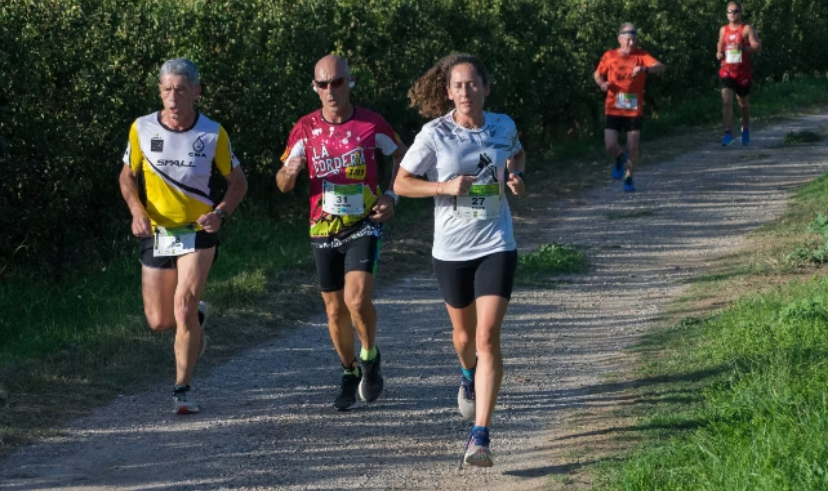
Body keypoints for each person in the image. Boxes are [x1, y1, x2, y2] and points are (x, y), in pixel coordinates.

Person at [394, 54, 526, 468]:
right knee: (464, 339)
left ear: (486, 88)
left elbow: (517, 156)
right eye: (458, 85)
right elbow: (401, 182)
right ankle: (467, 375)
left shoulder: (503, 126)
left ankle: (480, 436)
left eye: (473, 84)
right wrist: (443, 187)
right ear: (447, 92)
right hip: (451, 250)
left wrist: (517, 176)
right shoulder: (434, 133)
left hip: (496, 243)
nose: (466, 92)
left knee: (487, 337)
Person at [276, 55, 407, 411]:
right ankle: (349, 372)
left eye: (337, 82)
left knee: (357, 299)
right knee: (334, 311)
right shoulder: (304, 128)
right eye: (323, 84)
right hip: (323, 227)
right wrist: (291, 171)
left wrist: (391, 196)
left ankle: (369, 355)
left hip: (363, 223)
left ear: (350, 82)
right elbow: (282, 183)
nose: (330, 91)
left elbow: (403, 158)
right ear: (315, 88)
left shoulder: (370, 123)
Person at [119, 58, 247, 414]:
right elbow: (127, 176)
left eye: (181, 90)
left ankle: (182, 389)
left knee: (183, 305)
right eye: (167, 90)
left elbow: (238, 182)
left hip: (197, 232)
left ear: (196, 93)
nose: (173, 98)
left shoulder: (212, 133)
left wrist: (220, 213)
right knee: (160, 320)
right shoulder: (142, 128)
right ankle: (197, 319)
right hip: (157, 232)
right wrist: (137, 211)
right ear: (160, 91)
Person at [593, 23, 665, 192]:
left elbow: (661, 67)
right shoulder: (609, 56)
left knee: (633, 145)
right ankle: (619, 157)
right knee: (610, 145)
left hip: (634, 109)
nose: (631, 43)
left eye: (634, 39)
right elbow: (597, 73)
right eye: (628, 39)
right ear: (620, 39)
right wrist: (602, 83)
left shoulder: (641, 56)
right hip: (613, 107)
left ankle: (629, 177)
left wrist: (644, 69)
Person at [717, 1, 761, 146]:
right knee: (726, 100)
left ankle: (746, 127)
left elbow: (756, 46)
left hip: (743, 72)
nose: (732, 14)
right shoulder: (723, 30)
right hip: (727, 70)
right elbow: (718, 50)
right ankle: (728, 132)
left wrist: (742, 47)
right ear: (726, 14)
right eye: (729, 12)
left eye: (735, 11)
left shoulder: (746, 29)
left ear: (740, 12)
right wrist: (720, 54)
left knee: (743, 104)